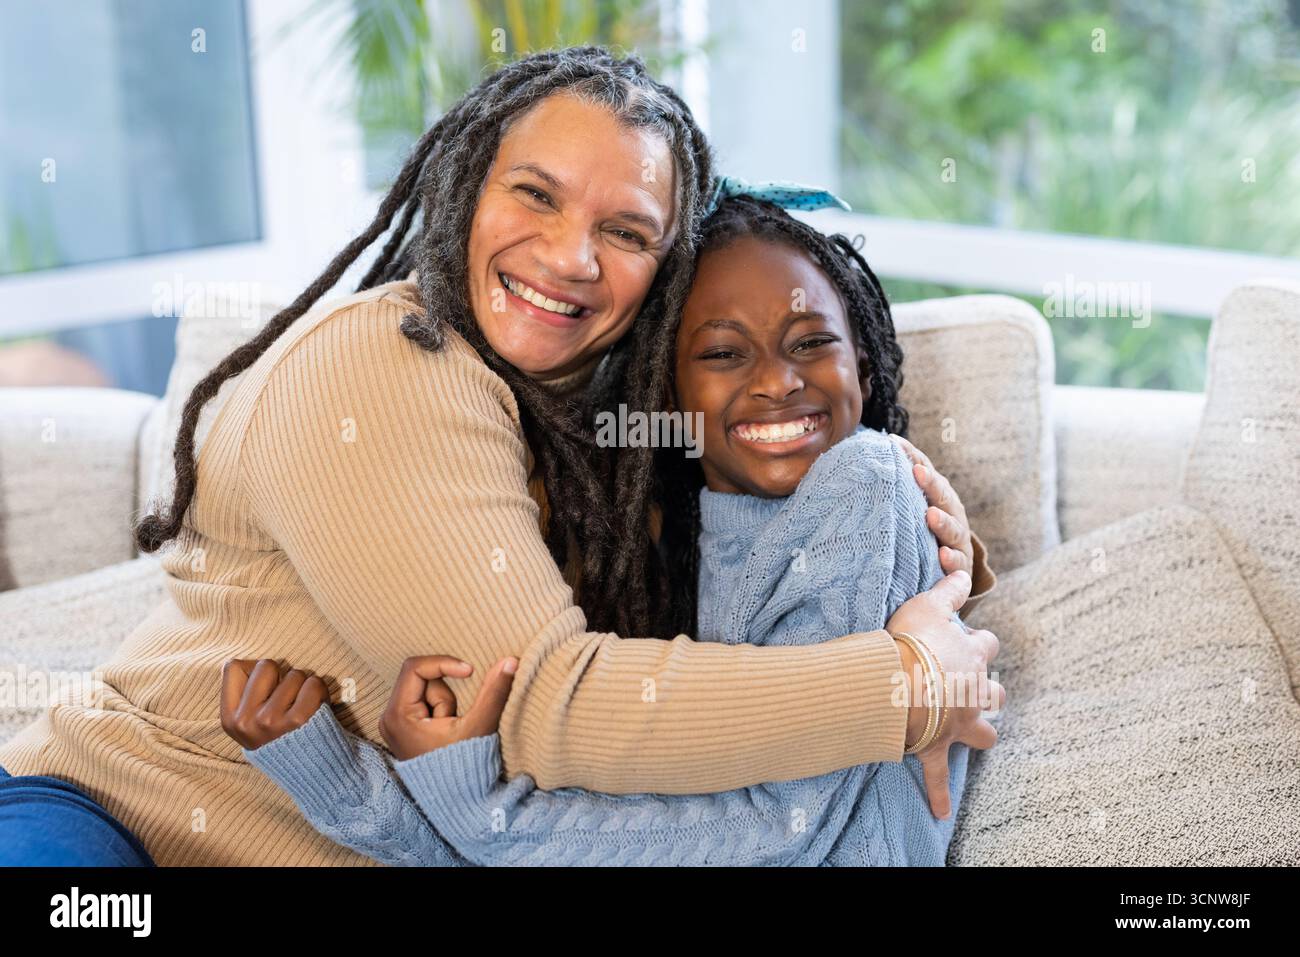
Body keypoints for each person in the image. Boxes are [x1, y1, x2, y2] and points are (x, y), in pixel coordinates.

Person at [0, 48, 997, 866]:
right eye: (536, 196)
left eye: (624, 230)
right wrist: (905, 686)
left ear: (661, 272)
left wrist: (903, 508)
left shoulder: (613, 415)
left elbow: (771, 464)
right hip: (119, 821)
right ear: (464, 188)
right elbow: (550, 710)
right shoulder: (380, 365)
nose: (572, 256)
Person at [224, 190, 1004, 866]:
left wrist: (479, 808)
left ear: (864, 368)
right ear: (667, 396)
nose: (777, 379)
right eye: (724, 352)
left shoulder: (861, 482)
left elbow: (779, 828)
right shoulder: (681, 546)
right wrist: (348, 777)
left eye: (811, 343)